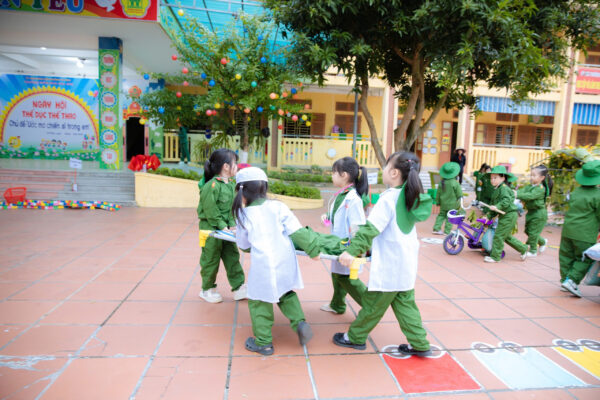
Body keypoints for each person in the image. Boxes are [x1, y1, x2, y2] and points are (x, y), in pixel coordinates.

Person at [332, 151, 434, 357]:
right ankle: (420, 343)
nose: (383, 170)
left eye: (386, 166)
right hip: (406, 263)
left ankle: (355, 337)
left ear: (394, 173)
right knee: (406, 305)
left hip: (390, 265)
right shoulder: (408, 196)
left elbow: (370, 229)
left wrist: (352, 251)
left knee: (373, 305)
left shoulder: (389, 198)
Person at [232, 167, 323, 355]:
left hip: (263, 266)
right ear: (264, 188)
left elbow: (243, 245)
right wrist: (313, 251)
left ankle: (263, 342)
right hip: (285, 262)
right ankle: (300, 323)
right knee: (286, 293)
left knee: (259, 301)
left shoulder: (243, 214)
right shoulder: (278, 207)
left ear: (242, 193)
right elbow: (298, 232)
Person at [320, 157, 368, 315]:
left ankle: (371, 307)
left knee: (346, 278)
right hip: (339, 242)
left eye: (334, 172)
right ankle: (337, 304)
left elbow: (357, 225)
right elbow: (337, 215)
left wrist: (354, 249)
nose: (332, 176)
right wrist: (327, 217)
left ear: (344, 175)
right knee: (337, 275)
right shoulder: (341, 195)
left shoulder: (353, 198)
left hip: (348, 245)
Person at [197, 149, 246, 303]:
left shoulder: (231, 185)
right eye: (234, 163)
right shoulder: (211, 186)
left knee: (232, 256)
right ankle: (207, 289)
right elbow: (210, 210)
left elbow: (231, 208)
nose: (237, 166)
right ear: (226, 166)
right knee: (210, 260)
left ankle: (238, 287)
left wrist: (232, 225)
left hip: (225, 230)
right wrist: (222, 226)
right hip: (210, 230)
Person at [559, 160, 600, 297]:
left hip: (568, 229)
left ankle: (565, 280)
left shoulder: (576, 191)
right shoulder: (598, 195)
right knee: (585, 257)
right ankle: (571, 281)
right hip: (585, 233)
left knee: (566, 256)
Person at [484, 166, 528, 263]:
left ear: (503, 178)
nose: (492, 180)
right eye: (491, 178)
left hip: (509, 215)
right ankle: (523, 248)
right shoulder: (497, 189)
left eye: (495, 178)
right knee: (505, 236)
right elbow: (493, 206)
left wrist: (497, 206)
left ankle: (495, 257)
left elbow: (506, 201)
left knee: (499, 236)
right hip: (505, 215)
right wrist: (488, 216)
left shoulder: (504, 188)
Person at [516, 164, 553, 257]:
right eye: (531, 175)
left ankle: (533, 251)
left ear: (542, 178)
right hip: (531, 212)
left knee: (533, 232)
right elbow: (523, 191)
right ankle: (542, 241)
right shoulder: (530, 186)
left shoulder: (540, 189)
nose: (531, 177)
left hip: (539, 213)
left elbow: (530, 196)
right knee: (528, 231)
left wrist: (517, 195)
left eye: (534, 175)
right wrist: (515, 192)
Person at [433, 162, 463, 235]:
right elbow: (459, 194)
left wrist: (437, 202)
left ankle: (436, 229)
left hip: (443, 204)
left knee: (441, 215)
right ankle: (447, 231)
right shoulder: (455, 183)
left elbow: (438, 193)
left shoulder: (441, 182)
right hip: (453, 204)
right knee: (450, 217)